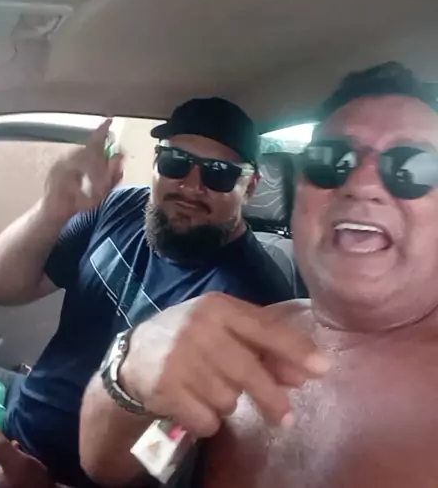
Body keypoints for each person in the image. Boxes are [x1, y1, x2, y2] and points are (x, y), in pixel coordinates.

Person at [79, 61, 438, 488]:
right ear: (299, 194)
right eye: (330, 160)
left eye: (414, 166)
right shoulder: (247, 339)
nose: (361, 183)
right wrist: (129, 371)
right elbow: (130, 465)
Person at [0, 97, 294, 487]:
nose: (190, 186)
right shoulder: (120, 208)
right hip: (18, 411)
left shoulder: (257, 301)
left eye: (218, 174)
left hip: (69, 475)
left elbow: (171, 452)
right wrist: (52, 210)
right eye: (175, 162)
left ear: (249, 186)